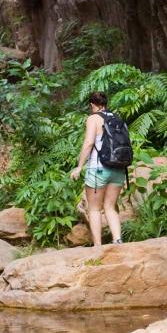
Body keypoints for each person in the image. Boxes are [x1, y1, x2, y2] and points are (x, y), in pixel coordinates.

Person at [69, 92, 126, 246]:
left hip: (98, 169)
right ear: (105, 104)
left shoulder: (93, 118)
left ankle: (98, 247)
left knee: (94, 209)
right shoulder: (117, 118)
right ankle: (117, 241)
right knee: (110, 207)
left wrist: (80, 166)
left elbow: (88, 143)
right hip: (118, 169)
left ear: (92, 105)